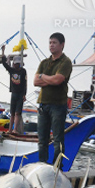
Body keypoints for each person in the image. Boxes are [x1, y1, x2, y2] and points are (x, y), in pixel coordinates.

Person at [33, 32, 72, 166]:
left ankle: (57, 167)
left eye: (54, 43)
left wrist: (43, 77)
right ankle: (42, 166)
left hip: (58, 105)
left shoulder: (65, 62)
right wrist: (50, 79)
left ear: (62, 45)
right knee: (42, 139)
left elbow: (58, 80)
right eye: (50, 42)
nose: (51, 45)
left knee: (57, 139)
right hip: (43, 104)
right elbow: (35, 82)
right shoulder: (44, 62)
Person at [1, 45, 27, 134]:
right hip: (14, 93)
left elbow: (25, 83)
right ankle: (10, 130)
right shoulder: (11, 70)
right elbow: (4, 64)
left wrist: (24, 94)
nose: (16, 65)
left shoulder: (23, 71)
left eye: (18, 64)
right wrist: (3, 52)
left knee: (17, 113)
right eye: (15, 63)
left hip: (20, 94)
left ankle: (15, 129)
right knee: (12, 113)